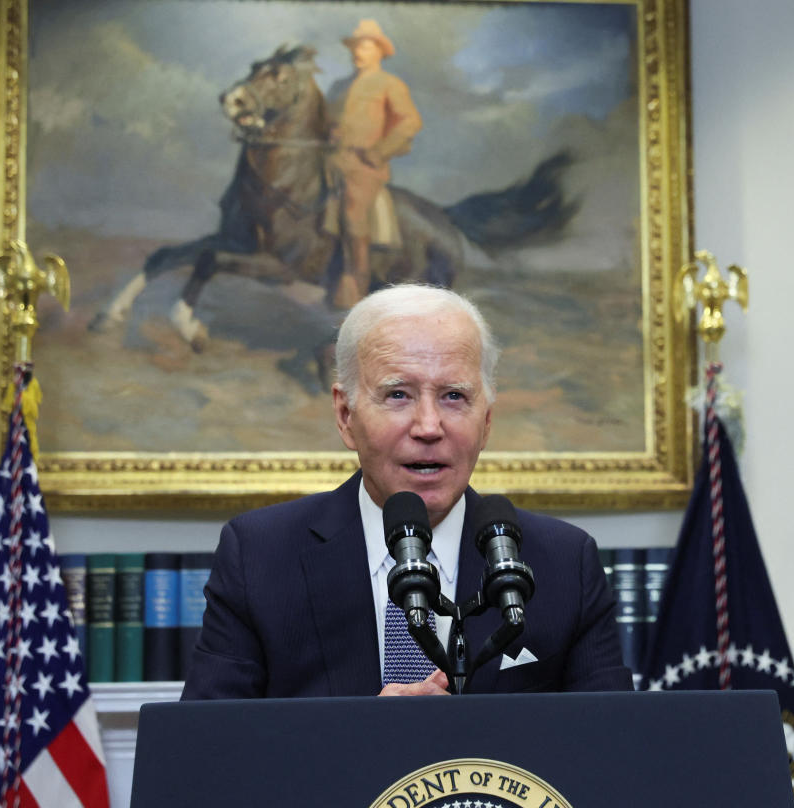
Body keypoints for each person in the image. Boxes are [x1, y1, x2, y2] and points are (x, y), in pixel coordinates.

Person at [182, 284, 631, 699]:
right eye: (398, 395)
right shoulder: (261, 555)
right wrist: (366, 736)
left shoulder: (563, 561)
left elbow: (611, 749)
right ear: (345, 416)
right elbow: (209, 754)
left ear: (487, 422)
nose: (429, 427)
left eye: (454, 396)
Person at [325, 19, 422, 309]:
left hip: (364, 166)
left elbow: (411, 122)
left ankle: (356, 288)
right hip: (330, 161)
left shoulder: (390, 84)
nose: (358, 51)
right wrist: (330, 132)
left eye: (365, 46)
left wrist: (380, 152)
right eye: (355, 46)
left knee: (354, 212)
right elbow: (326, 122)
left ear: (380, 51)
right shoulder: (338, 86)